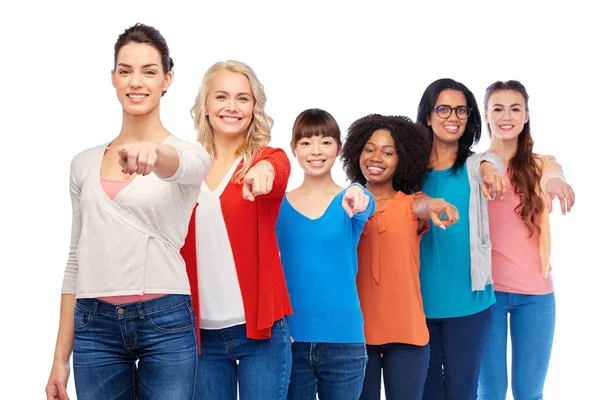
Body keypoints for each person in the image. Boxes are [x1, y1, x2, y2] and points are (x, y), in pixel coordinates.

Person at [45, 23, 211, 400]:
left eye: (149, 71)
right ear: (114, 78)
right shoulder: (83, 163)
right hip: (93, 323)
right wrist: (60, 357)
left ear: (167, 79)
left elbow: (181, 165)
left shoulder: (190, 153)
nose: (137, 82)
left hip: (165, 320)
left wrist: (155, 154)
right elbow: (75, 260)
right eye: (126, 70)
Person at [180, 60, 293, 400]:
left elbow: (278, 170)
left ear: (254, 107)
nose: (232, 107)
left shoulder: (265, 158)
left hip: (260, 331)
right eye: (222, 97)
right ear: (206, 106)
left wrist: (263, 174)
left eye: (243, 98)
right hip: (200, 336)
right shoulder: (187, 166)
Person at [341, 114, 460, 400]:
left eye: (388, 152)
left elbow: (425, 206)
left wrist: (437, 203)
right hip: (357, 337)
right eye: (369, 149)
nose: (376, 157)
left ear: (402, 159)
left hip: (407, 335)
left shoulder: (411, 203)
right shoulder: (346, 204)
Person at [478, 80, 575, 400]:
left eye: (515, 108)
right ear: (486, 115)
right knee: (489, 392)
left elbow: (553, 172)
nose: (507, 116)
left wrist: (555, 182)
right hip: (486, 295)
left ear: (526, 115)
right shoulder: (474, 167)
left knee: (529, 393)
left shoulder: (540, 163)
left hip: (535, 296)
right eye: (498, 108)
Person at [415, 78, 506, 400]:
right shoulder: (410, 171)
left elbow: (489, 162)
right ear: (427, 115)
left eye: (461, 110)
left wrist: (492, 172)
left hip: (469, 303)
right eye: (443, 108)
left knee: (462, 390)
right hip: (418, 304)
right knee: (425, 392)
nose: (452, 117)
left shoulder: (472, 165)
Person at [276, 109, 373, 400]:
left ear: (339, 147)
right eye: (306, 143)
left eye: (325, 142)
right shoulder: (277, 206)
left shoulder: (350, 200)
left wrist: (358, 191)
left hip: (345, 342)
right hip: (291, 340)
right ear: (293, 148)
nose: (315, 151)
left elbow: (365, 203)